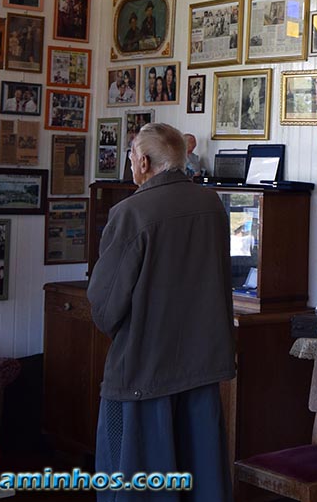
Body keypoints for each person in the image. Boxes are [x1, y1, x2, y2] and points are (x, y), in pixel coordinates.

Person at [88, 123, 235, 502]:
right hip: (201, 368)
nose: (131, 163)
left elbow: (104, 307)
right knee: (199, 480)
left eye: (133, 155)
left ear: (145, 162)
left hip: (142, 371)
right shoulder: (212, 204)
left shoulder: (131, 213)